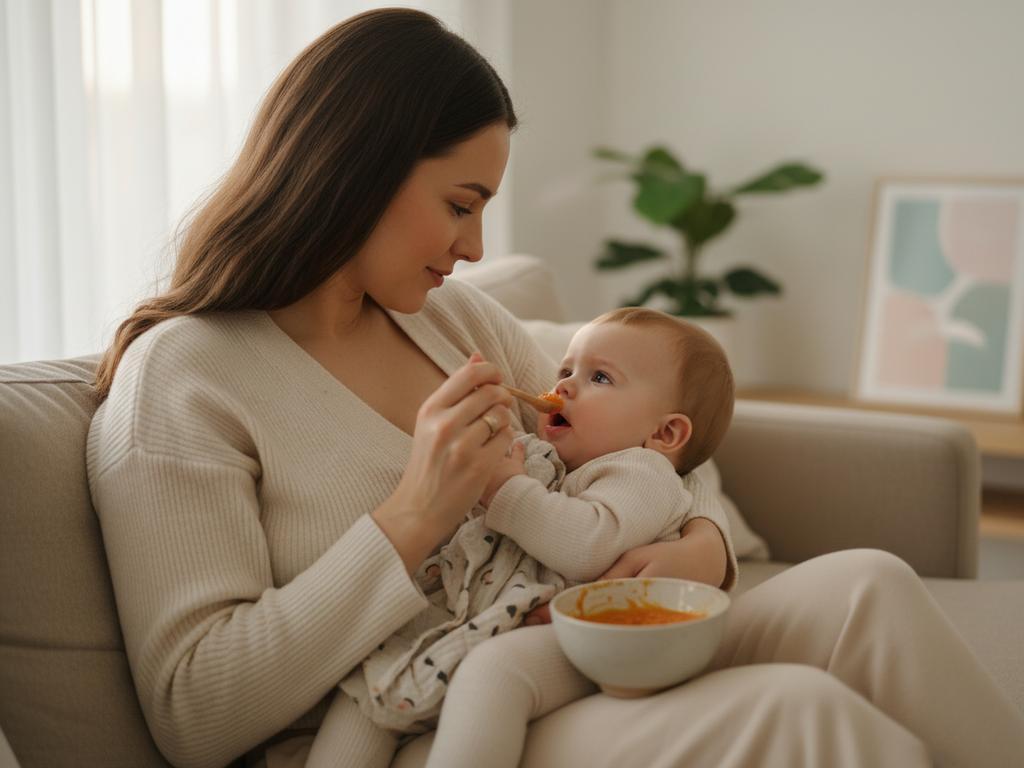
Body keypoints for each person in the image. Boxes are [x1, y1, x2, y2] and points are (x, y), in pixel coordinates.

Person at [85, 8, 1024, 768]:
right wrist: (413, 512)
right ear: (353, 170)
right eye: (461, 205)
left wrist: (701, 549)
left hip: (580, 644)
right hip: (434, 718)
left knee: (870, 584)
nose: (475, 250)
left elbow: (648, 448)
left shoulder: (452, 322)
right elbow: (195, 712)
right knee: (799, 713)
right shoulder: (185, 379)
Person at [311, 307, 738, 768]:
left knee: (492, 678)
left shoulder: (642, 473)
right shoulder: (550, 454)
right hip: (473, 618)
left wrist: (505, 490)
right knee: (366, 689)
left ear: (664, 432)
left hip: (567, 636)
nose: (564, 386)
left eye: (600, 379)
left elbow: (588, 545)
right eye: (566, 370)